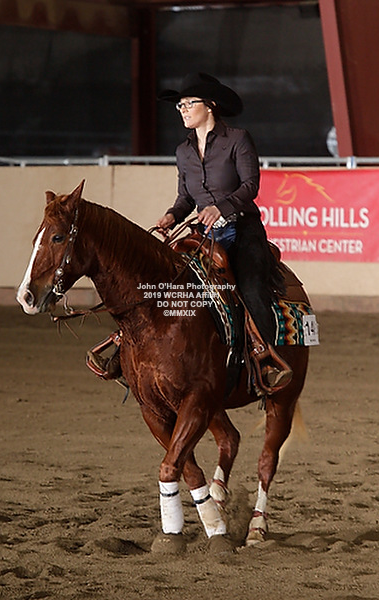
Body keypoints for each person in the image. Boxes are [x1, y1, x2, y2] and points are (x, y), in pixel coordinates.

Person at [156, 72, 292, 391]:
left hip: (243, 230)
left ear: (210, 105)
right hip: (204, 236)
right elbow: (186, 198)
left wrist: (221, 207)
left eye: (189, 103)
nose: (183, 110)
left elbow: (250, 186)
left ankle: (265, 360)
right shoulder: (183, 151)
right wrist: (172, 216)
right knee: (167, 286)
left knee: (251, 288)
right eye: (179, 105)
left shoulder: (238, 139)